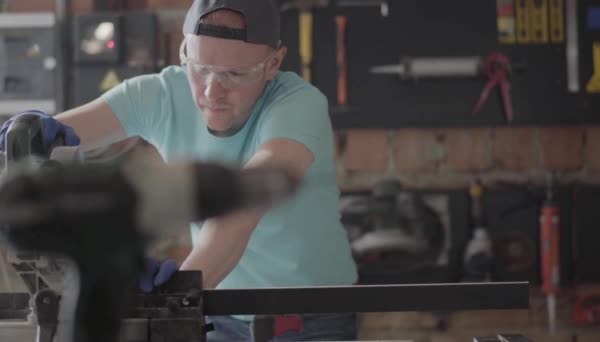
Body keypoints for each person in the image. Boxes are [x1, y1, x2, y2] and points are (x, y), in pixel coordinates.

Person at [0, 0, 359, 340]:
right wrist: (34, 132)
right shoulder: (161, 94)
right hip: (223, 307)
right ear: (184, 51)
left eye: (234, 74)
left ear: (273, 63)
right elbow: (64, 133)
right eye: (199, 67)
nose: (211, 90)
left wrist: (182, 288)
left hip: (310, 309)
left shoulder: (298, 105)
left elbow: (244, 208)